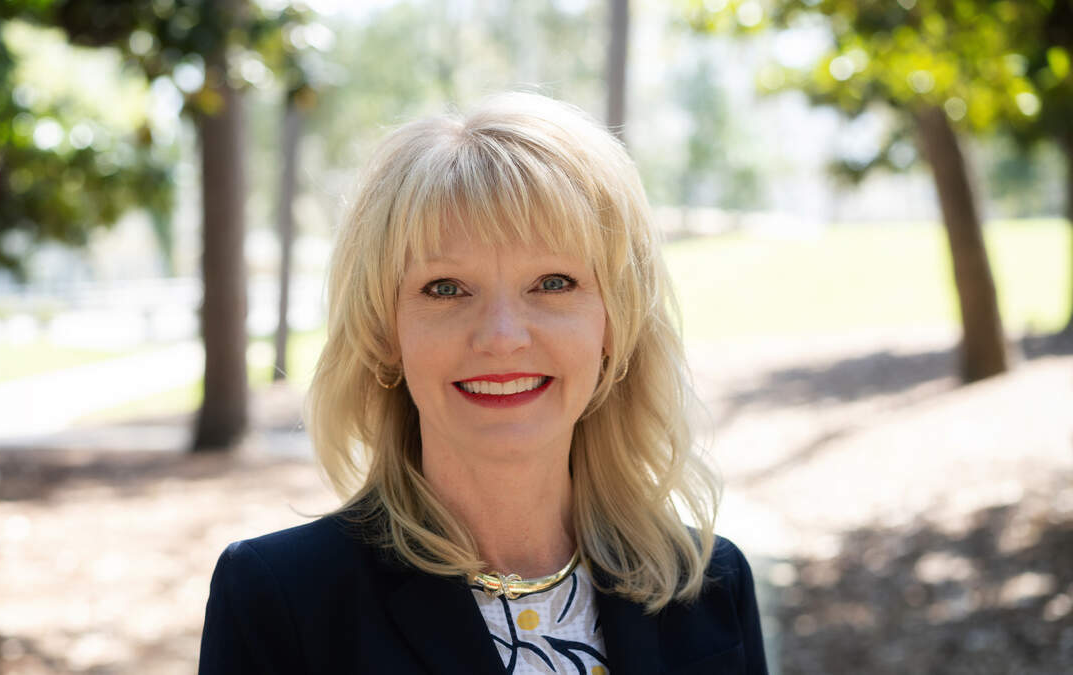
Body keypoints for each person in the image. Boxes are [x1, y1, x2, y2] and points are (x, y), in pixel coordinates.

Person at [198, 92, 767, 674]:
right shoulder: (280, 601)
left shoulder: (711, 586)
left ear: (614, 322)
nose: (501, 337)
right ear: (385, 332)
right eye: (446, 288)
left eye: (552, 282)